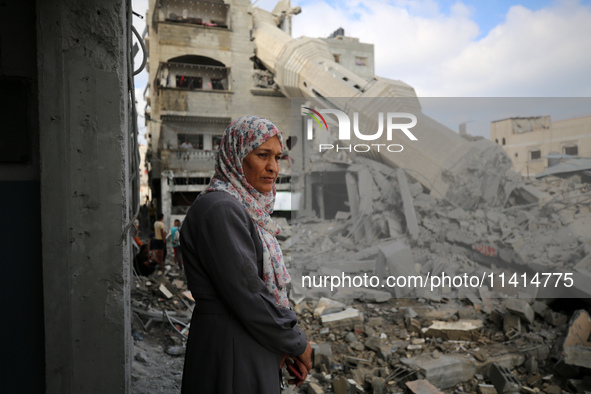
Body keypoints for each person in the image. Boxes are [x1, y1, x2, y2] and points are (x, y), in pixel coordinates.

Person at [180, 116, 312, 393]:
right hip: (232, 345)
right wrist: (296, 342)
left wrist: (280, 342)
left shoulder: (244, 209)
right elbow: (249, 294)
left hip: (247, 338)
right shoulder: (221, 209)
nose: (273, 167)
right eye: (262, 155)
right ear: (236, 155)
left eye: (277, 157)